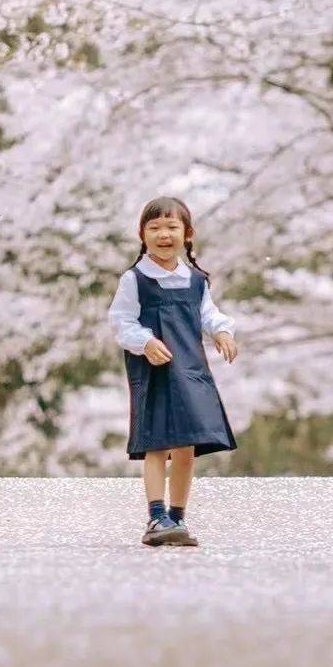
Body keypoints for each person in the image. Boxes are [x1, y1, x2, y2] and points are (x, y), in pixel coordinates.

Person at [108, 196, 238, 546]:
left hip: (191, 370)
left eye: (171, 227)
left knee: (185, 447)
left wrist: (223, 332)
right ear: (142, 234)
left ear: (188, 234)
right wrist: (145, 342)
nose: (163, 234)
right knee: (157, 443)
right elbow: (122, 321)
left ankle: (177, 517)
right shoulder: (135, 279)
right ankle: (156, 517)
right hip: (154, 370)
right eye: (154, 227)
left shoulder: (195, 281)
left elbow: (208, 314)